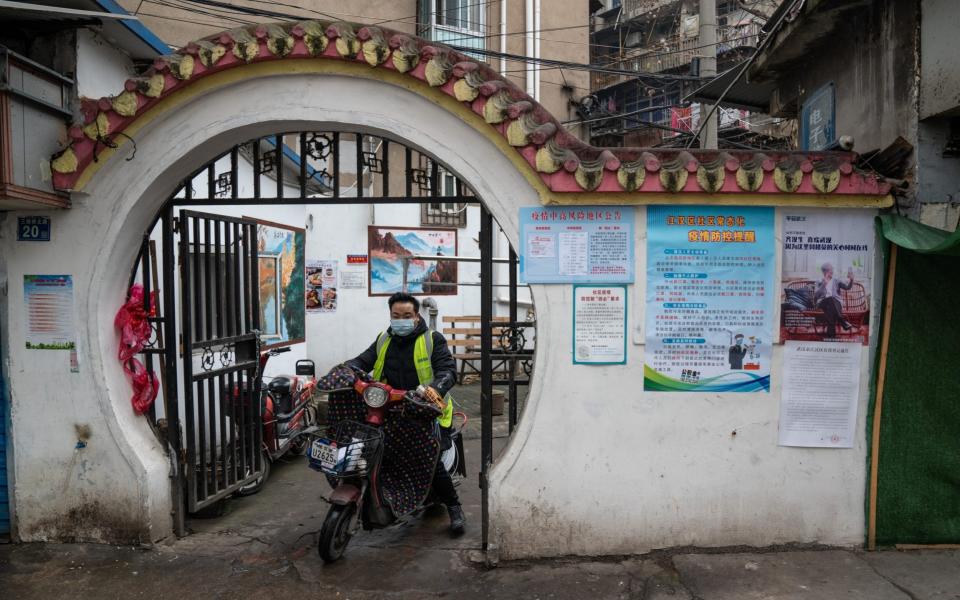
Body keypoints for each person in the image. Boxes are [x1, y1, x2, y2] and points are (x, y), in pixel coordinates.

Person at [348, 292, 465, 535]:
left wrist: (432, 390)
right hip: (390, 409)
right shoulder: (383, 339)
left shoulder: (433, 339)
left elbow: (448, 371)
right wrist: (345, 371)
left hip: (428, 411)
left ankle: (454, 507)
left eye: (406, 315)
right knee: (366, 445)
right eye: (396, 316)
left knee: (428, 459)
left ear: (416, 316)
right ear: (390, 316)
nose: (401, 320)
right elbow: (361, 361)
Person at [814, 262, 853, 338]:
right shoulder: (819, 281)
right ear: (824, 272)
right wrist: (824, 284)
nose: (832, 271)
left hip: (835, 304)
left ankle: (831, 337)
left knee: (831, 316)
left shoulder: (836, 280)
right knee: (830, 299)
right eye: (830, 270)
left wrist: (851, 280)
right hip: (823, 303)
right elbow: (816, 295)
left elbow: (847, 287)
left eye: (832, 269)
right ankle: (842, 320)